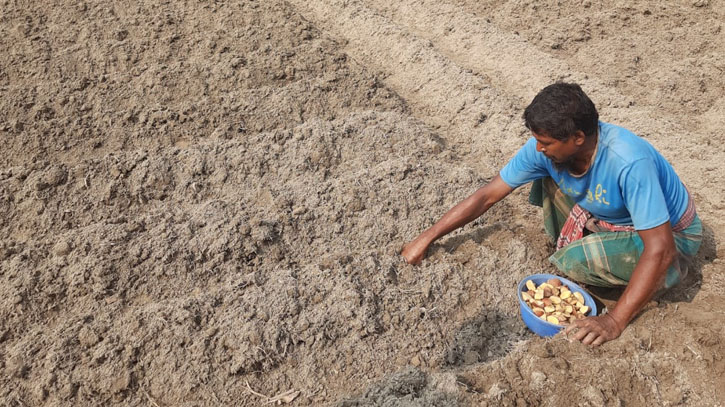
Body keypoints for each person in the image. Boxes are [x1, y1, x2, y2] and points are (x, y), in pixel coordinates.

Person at [401, 82, 702, 346]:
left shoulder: (628, 162)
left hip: (672, 238)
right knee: (544, 177)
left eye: (545, 143)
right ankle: (605, 245)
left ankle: (672, 273)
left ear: (578, 138)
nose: (538, 148)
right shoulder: (547, 151)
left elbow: (660, 247)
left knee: (574, 262)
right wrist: (426, 238)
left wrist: (614, 321)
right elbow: (487, 196)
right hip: (616, 217)